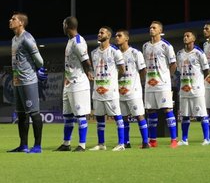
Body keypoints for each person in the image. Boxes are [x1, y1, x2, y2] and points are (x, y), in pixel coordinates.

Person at [7, 12, 48, 153]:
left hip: (28, 81)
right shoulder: (14, 39)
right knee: (21, 114)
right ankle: (23, 145)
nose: (10, 20)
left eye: (13, 19)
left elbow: (40, 61)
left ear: (21, 23)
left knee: (34, 113)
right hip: (17, 81)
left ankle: (37, 146)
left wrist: (37, 71)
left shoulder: (27, 38)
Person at [55, 16, 93, 152]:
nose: (62, 26)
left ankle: (82, 145)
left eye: (63, 24)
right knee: (67, 115)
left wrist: (90, 72)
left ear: (67, 25)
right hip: (69, 83)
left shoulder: (78, 42)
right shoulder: (70, 41)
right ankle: (66, 143)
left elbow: (86, 61)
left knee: (80, 115)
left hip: (78, 83)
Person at [89, 26, 127, 151]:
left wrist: (113, 81)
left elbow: (122, 69)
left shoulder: (115, 51)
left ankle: (121, 144)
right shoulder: (94, 53)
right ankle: (101, 144)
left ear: (108, 36)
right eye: (99, 32)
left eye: (102, 32)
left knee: (117, 116)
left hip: (111, 91)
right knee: (99, 117)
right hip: (97, 90)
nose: (99, 34)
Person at [142, 20, 178, 148]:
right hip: (149, 84)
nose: (151, 29)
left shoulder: (166, 46)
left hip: (162, 84)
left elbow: (173, 64)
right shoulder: (145, 46)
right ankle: (152, 140)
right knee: (150, 111)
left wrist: (166, 77)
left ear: (160, 31)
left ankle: (174, 140)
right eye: (150, 27)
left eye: (154, 28)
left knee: (167, 109)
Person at [115, 29, 150, 148]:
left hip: (133, 91)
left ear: (126, 38)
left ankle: (145, 142)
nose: (117, 38)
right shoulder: (115, 54)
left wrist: (136, 83)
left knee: (139, 115)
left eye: (119, 36)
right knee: (123, 118)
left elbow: (143, 70)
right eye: (116, 36)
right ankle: (126, 142)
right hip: (120, 91)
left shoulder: (135, 53)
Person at [175, 30, 210, 146]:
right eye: (184, 35)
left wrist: (198, 82)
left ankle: (206, 139)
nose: (185, 37)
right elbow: (179, 71)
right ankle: (184, 139)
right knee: (184, 115)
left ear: (193, 39)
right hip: (184, 89)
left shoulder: (199, 53)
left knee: (202, 114)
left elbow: (206, 71)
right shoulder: (180, 53)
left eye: (188, 36)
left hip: (197, 89)